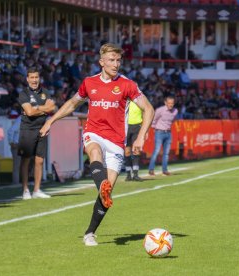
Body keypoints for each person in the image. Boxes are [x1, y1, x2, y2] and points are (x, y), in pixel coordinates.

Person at [40, 43, 154, 246]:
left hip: (117, 141)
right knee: (94, 152)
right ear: (101, 62)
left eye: (118, 60)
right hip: (94, 132)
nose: (116, 64)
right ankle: (102, 184)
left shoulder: (128, 85)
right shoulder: (89, 82)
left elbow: (149, 109)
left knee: (107, 195)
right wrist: (51, 120)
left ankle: (90, 232)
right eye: (111, 60)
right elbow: (72, 104)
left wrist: (141, 136)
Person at [18, 67, 56, 200]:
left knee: (39, 160)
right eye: (32, 77)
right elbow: (29, 112)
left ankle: (37, 190)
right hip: (27, 129)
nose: (34, 80)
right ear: (27, 79)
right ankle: (25, 190)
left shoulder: (45, 92)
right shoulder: (23, 94)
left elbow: (52, 108)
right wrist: (44, 109)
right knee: (26, 160)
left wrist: (38, 108)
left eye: (36, 77)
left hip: (42, 129)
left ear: (39, 78)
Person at [148, 95, 178, 176]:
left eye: (172, 103)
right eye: (169, 103)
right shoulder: (160, 110)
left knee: (166, 153)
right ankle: (151, 169)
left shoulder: (175, 111)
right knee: (157, 151)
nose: (171, 105)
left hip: (168, 133)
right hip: (159, 132)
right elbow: (154, 119)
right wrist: (155, 128)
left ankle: (165, 170)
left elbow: (173, 120)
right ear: (165, 103)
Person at [124, 101, 143, 182]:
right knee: (127, 152)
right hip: (125, 127)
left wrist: (145, 131)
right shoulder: (125, 101)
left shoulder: (140, 101)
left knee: (136, 150)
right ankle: (128, 174)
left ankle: (135, 174)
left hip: (137, 127)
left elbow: (146, 113)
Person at [7, 113, 22, 185]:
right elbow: (11, 130)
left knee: (22, 165)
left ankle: (21, 182)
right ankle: (16, 183)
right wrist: (11, 142)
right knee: (17, 165)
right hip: (17, 145)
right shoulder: (21, 119)